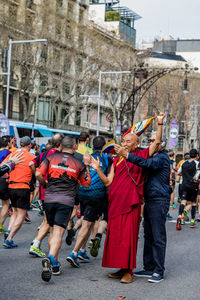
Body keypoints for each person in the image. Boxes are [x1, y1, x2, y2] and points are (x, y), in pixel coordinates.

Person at [89, 113, 165, 284]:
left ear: (136, 144)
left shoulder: (142, 156)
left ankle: (129, 271)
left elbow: (157, 143)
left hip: (130, 204)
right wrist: (96, 168)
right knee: (115, 238)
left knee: (128, 238)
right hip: (115, 203)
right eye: (123, 141)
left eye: (128, 142)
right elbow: (108, 181)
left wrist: (159, 124)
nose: (124, 144)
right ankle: (120, 268)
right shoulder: (116, 161)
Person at [115, 134, 171, 283]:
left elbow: (145, 163)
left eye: (154, 141)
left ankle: (158, 271)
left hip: (159, 200)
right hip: (150, 200)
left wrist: (127, 155)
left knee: (158, 237)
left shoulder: (161, 157)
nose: (151, 143)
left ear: (162, 144)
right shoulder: (155, 155)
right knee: (148, 235)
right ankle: (149, 266)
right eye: (150, 140)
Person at [36, 136, 91, 282]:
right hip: (66, 201)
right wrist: (86, 166)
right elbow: (86, 183)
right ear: (74, 147)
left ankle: (54, 264)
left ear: (60, 146)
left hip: (49, 199)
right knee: (59, 233)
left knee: (52, 231)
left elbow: (38, 174)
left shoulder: (51, 157)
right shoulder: (78, 163)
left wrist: (45, 184)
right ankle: (50, 258)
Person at [67, 136, 112, 268]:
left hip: (83, 192)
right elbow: (109, 180)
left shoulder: (85, 157)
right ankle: (74, 253)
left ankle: (82, 251)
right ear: (104, 146)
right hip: (96, 194)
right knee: (88, 224)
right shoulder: (107, 159)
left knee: (89, 221)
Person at [29, 135, 64, 257]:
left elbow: (31, 164)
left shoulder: (44, 154)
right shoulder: (60, 156)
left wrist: (40, 179)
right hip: (54, 192)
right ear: (61, 144)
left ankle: (37, 244)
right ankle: (48, 253)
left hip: (45, 192)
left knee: (47, 220)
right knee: (52, 225)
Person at [3, 136, 36, 248]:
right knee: (21, 214)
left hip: (11, 186)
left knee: (15, 211)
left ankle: (8, 231)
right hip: (23, 187)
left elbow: (2, 167)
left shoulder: (12, 154)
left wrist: (8, 176)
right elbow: (36, 172)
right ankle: (9, 238)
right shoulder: (32, 157)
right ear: (29, 145)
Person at [176, 149, 200, 230]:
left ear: (189, 155)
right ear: (197, 155)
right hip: (193, 185)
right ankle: (192, 220)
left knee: (183, 201)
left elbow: (178, 173)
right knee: (193, 203)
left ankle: (179, 216)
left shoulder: (183, 163)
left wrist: (185, 174)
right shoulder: (197, 163)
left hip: (184, 184)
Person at [0, 135, 12, 233]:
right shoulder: (8, 153)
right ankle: (0, 225)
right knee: (5, 204)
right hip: (3, 179)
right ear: (8, 143)